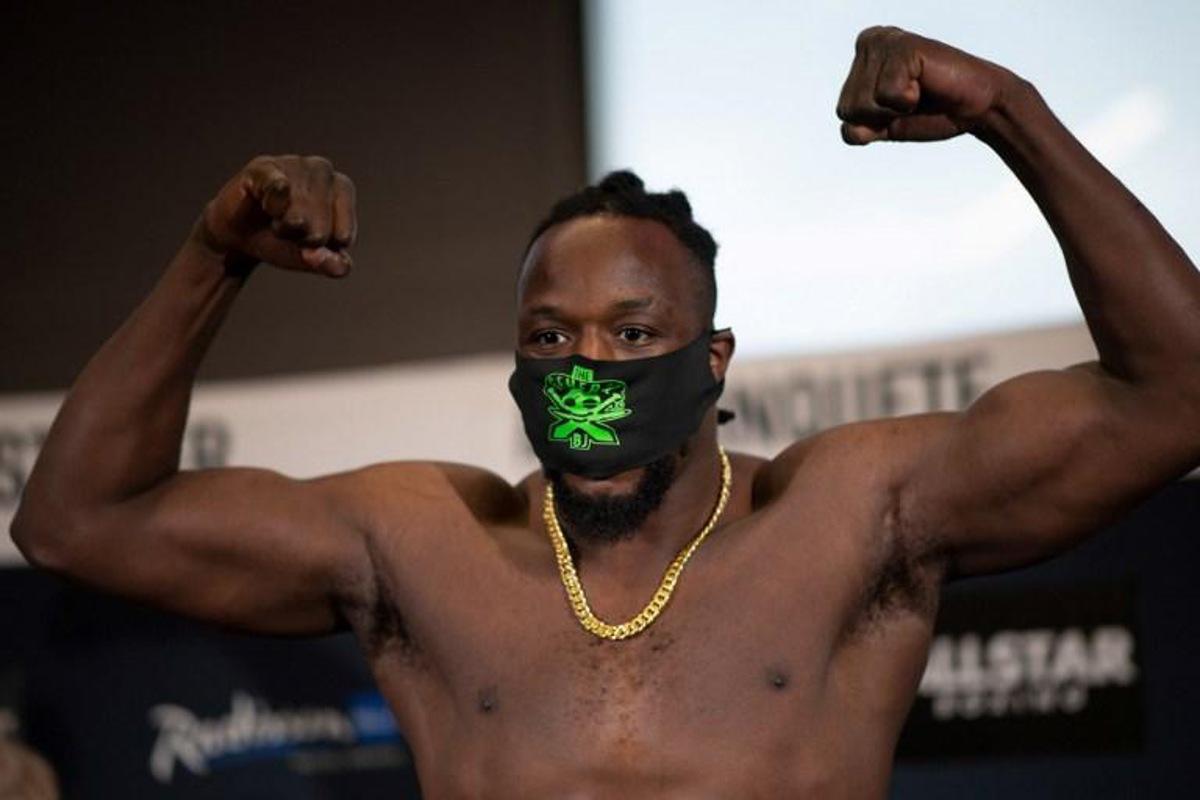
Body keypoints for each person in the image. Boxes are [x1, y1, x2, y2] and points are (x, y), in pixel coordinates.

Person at [11, 26, 1200, 798]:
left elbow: (1177, 390)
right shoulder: (427, 543)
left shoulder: (850, 513)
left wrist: (1013, 111)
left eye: (634, 335)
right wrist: (214, 255)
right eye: (551, 338)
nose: (590, 369)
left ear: (715, 357)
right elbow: (75, 519)